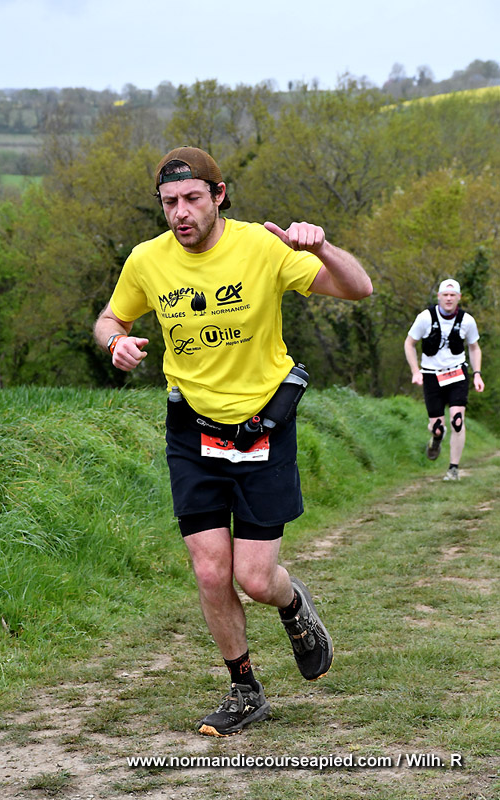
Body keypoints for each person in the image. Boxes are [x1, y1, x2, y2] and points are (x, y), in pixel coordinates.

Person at [94, 146, 373, 737]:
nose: (181, 213)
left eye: (193, 198)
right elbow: (109, 318)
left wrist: (321, 248)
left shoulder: (261, 247)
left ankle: (292, 603)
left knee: (255, 578)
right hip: (192, 431)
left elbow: (359, 288)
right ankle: (244, 690)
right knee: (209, 570)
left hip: (262, 428)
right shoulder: (147, 260)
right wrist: (114, 341)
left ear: (219, 196)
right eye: (169, 202)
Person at [404, 278, 485, 481]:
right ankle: (436, 438)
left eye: (452, 295)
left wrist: (477, 374)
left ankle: (453, 468)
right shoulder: (425, 318)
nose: (449, 299)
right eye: (445, 295)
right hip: (432, 375)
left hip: (457, 373)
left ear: (458, 297)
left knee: (457, 421)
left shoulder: (467, 321)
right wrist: (415, 371)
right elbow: (409, 343)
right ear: (439, 296)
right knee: (438, 428)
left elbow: (474, 348)